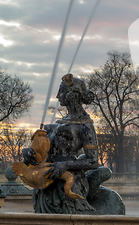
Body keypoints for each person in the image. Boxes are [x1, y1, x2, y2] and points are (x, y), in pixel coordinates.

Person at [22, 74, 101, 214]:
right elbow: (44, 151)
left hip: (67, 185)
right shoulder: (61, 122)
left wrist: (65, 165)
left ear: (72, 95)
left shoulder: (86, 126)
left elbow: (93, 161)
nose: (58, 96)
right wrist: (28, 152)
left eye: (61, 91)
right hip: (46, 181)